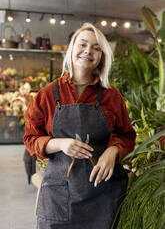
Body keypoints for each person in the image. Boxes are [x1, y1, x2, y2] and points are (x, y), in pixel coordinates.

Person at [23, 22, 136, 229]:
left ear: (102, 56)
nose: (88, 51)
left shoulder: (112, 96)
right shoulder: (47, 95)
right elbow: (31, 139)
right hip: (59, 194)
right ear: (72, 48)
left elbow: (127, 135)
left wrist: (113, 151)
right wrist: (60, 144)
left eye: (96, 47)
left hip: (103, 195)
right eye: (83, 44)